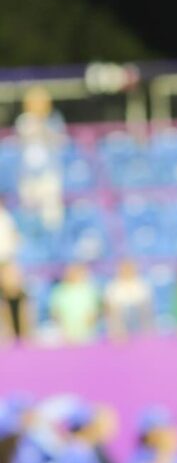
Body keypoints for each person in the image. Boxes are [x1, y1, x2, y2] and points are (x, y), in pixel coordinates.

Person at [15, 86, 66, 232]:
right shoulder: (23, 120)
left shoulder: (54, 120)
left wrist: (43, 124)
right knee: (28, 211)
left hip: (48, 173)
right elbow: (24, 137)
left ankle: (53, 243)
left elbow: (59, 141)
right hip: (28, 175)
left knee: (52, 214)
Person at [48, 263, 101, 344]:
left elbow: (94, 313)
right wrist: (63, 331)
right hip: (64, 333)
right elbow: (55, 313)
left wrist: (85, 329)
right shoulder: (60, 290)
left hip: (86, 333)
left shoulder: (89, 290)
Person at [104, 259, 154, 341]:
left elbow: (145, 303)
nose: (127, 272)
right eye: (124, 270)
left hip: (137, 314)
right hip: (120, 315)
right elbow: (109, 304)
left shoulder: (141, 284)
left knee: (143, 309)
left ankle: (144, 337)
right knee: (115, 311)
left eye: (129, 269)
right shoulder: (113, 285)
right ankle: (119, 337)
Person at [0, 262, 33, 345]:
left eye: (14, 274)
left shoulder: (26, 298)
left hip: (24, 345)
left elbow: (30, 328)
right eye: (7, 275)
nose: (12, 278)